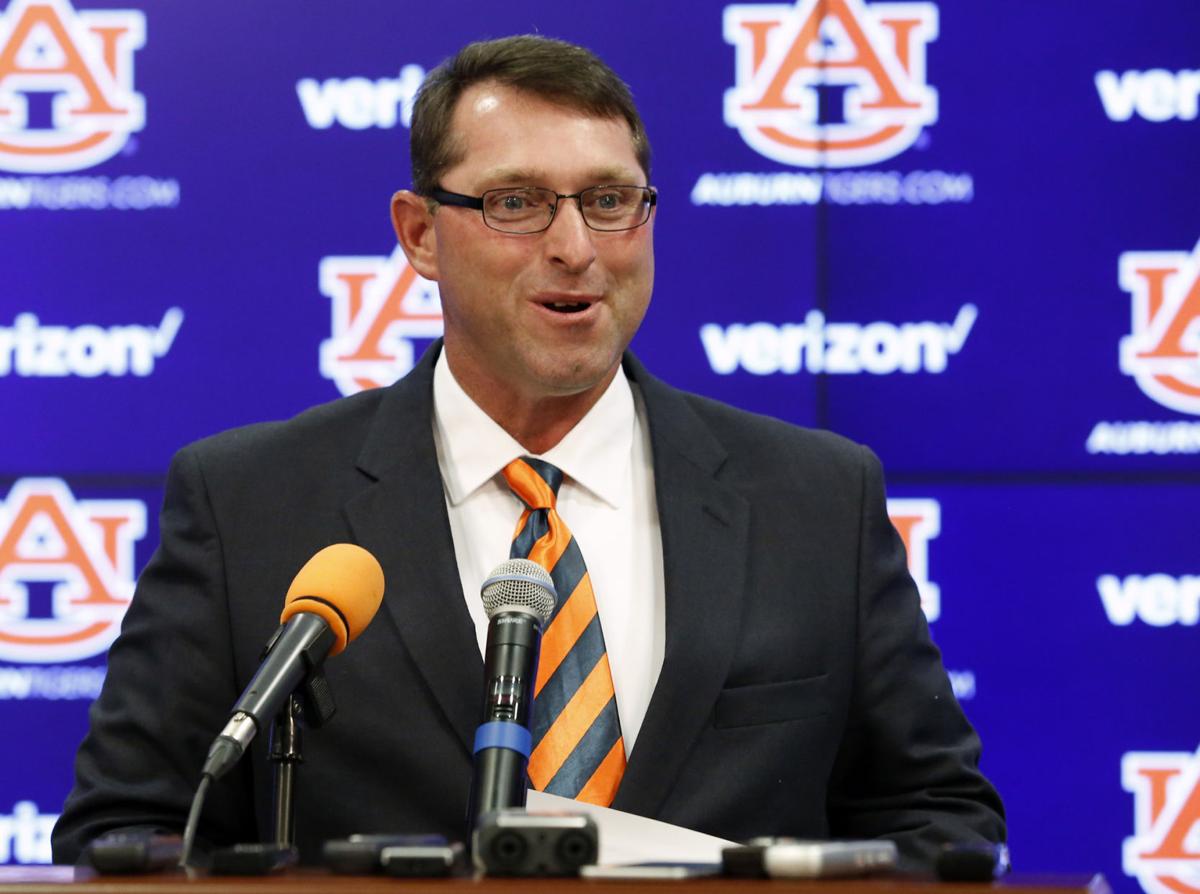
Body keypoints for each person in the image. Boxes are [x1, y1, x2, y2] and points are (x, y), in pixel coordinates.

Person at [52, 35, 1004, 867]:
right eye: (516, 203)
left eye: (610, 200)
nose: (576, 247)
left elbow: (942, 822)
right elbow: (129, 831)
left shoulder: (817, 500)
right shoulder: (250, 502)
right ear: (420, 234)